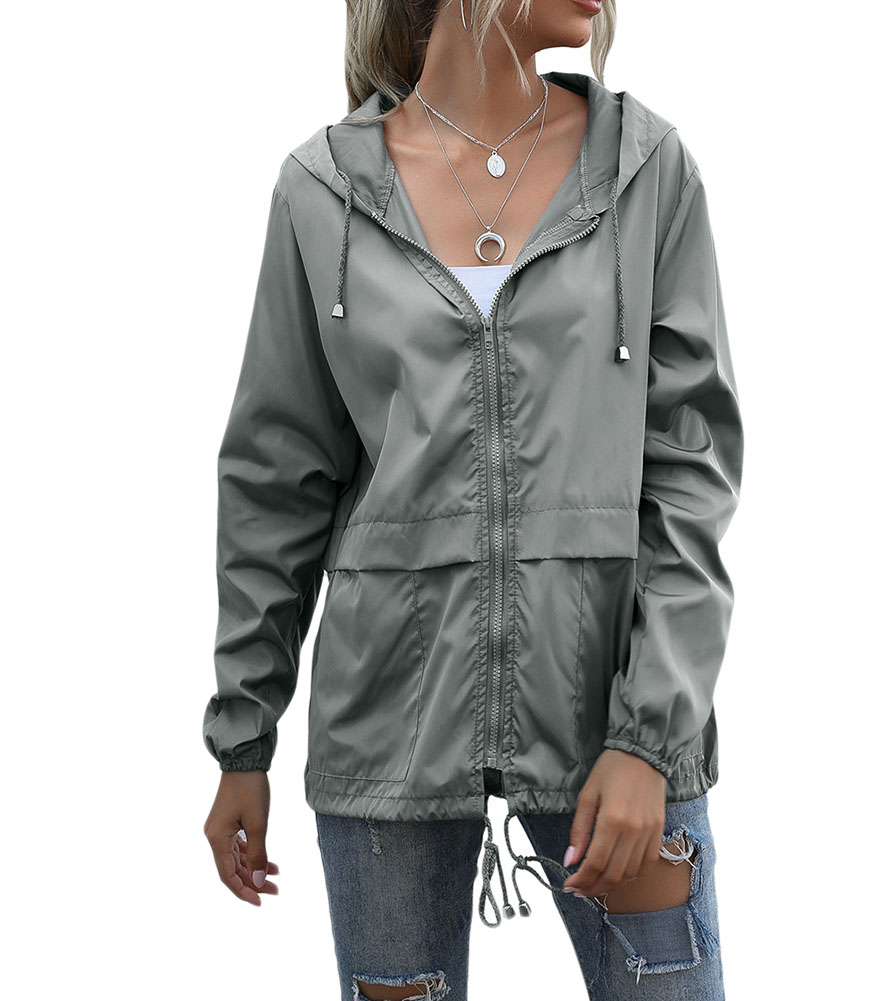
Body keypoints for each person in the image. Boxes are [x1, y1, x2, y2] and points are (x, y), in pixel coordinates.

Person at [202, 1, 743, 998]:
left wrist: (649, 739)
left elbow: (689, 471)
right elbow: (276, 479)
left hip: (613, 718)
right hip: (384, 734)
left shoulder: (645, 171)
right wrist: (244, 735)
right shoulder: (322, 193)